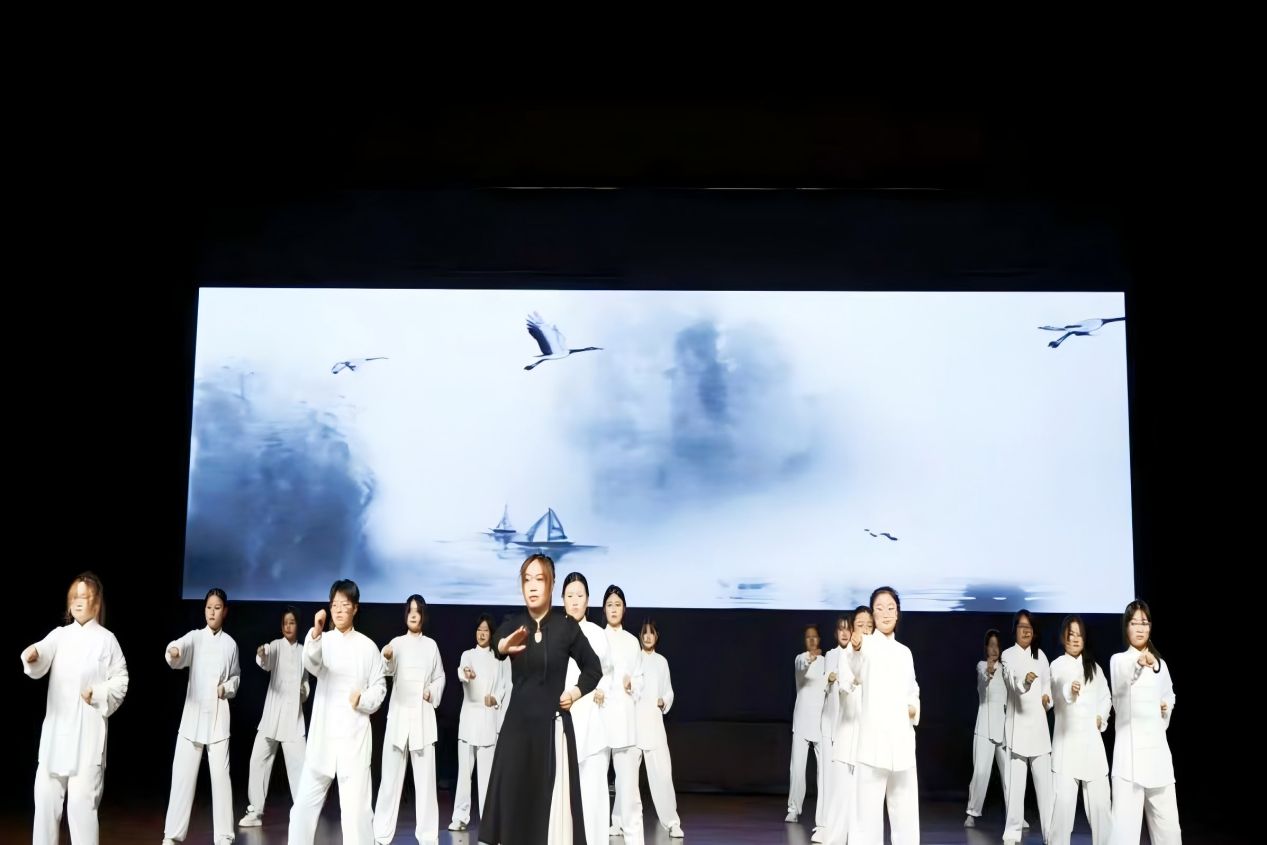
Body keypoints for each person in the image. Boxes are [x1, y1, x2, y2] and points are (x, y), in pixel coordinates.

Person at [478, 555, 602, 845]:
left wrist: (574, 693)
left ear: (551, 584)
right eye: (527, 580)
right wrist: (502, 645)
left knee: (549, 812)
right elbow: (497, 642)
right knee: (513, 804)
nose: (532, 586)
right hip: (517, 731)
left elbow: (593, 668)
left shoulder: (566, 627)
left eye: (539, 579)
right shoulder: (513, 623)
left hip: (551, 731)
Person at [22, 572, 129, 845]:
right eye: (75, 597)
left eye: (85, 596)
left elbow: (121, 680)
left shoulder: (107, 640)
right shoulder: (60, 635)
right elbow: (42, 651)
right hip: (57, 734)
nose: (79, 601)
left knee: (82, 806)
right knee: (45, 801)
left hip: (87, 737)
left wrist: (98, 692)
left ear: (97, 602)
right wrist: (33, 655)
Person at [288, 579, 387, 845]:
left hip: (354, 739)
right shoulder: (324, 640)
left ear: (355, 608)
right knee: (301, 810)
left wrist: (362, 699)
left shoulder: (367, 646)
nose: (339, 610)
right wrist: (316, 632)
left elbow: (380, 688)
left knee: (356, 815)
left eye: (345, 604)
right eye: (334, 605)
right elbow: (311, 662)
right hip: (324, 739)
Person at [162, 588, 240, 845]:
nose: (212, 612)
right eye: (208, 607)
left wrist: (226, 688)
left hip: (218, 720)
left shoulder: (230, 644)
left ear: (225, 611)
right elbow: (179, 646)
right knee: (182, 778)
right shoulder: (196, 637)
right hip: (192, 719)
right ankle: (172, 835)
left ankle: (224, 837)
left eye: (217, 608)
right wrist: (174, 651)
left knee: (221, 781)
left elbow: (236, 678)